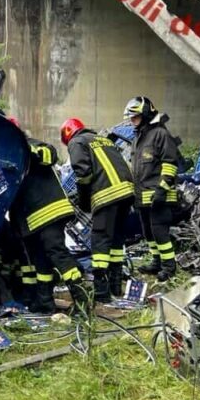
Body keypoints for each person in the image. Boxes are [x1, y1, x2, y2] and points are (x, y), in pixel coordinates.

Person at [5, 117, 88, 312]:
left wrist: (26, 150)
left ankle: (83, 301)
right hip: (30, 221)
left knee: (57, 253)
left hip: (48, 212)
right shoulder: (5, 160)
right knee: (39, 260)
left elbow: (49, 154)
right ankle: (45, 302)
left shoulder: (30, 146)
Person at [61, 117, 135, 309]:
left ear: (68, 134)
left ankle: (102, 293)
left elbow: (83, 174)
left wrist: (84, 201)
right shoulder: (103, 140)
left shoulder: (77, 142)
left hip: (106, 195)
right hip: (126, 192)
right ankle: (116, 286)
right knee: (117, 240)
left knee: (100, 239)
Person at [123, 96, 180, 281]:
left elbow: (170, 164)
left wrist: (162, 190)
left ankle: (169, 267)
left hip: (159, 196)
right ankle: (156, 262)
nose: (132, 121)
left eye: (135, 117)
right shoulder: (139, 137)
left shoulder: (160, 134)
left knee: (159, 232)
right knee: (148, 232)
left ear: (146, 114)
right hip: (143, 197)